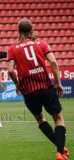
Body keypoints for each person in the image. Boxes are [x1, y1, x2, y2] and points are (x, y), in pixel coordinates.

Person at [7, 18, 69, 160]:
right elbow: (53, 61)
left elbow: (10, 71)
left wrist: (18, 85)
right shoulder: (41, 43)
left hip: (29, 91)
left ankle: (60, 149)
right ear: (32, 29)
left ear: (18, 31)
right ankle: (60, 151)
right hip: (46, 87)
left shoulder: (12, 48)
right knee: (58, 119)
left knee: (41, 120)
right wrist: (58, 83)